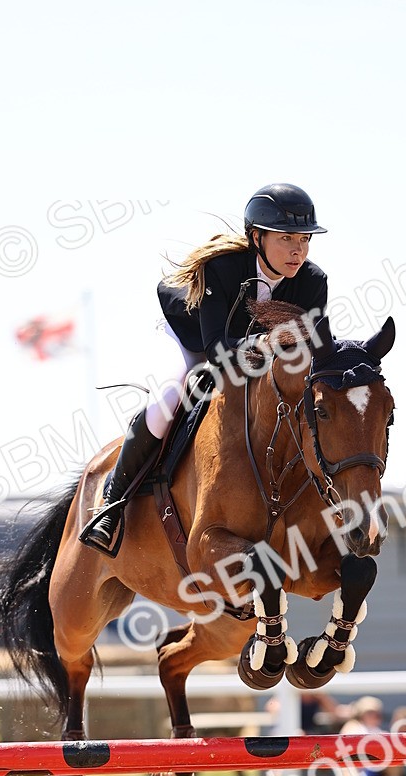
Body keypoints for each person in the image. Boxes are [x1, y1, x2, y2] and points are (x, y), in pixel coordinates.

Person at [80, 183, 328, 552]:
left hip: (251, 355)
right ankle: (111, 506)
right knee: (169, 397)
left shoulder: (312, 282)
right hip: (190, 338)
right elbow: (214, 350)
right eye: (286, 238)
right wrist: (261, 345)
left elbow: (315, 352)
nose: (298, 250)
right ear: (257, 237)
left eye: (305, 239)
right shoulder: (223, 268)